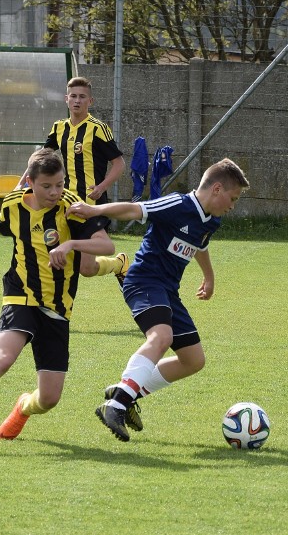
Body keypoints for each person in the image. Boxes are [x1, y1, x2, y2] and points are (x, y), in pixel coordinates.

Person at [0, 148, 114, 445]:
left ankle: (23, 407)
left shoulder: (72, 207)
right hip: (20, 294)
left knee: (49, 398)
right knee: (2, 357)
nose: (55, 191)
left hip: (57, 306)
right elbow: (1, 223)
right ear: (30, 181)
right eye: (47, 186)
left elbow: (105, 245)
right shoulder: (15, 203)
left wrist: (69, 247)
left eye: (59, 184)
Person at [67, 158, 250, 442]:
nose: (233, 205)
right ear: (216, 189)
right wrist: (93, 210)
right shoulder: (177, 205)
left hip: (168, 291)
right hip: (144, 281)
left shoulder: (212, 219)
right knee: (161, 337)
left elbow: (200, 244)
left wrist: (209, 277)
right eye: (233, 197)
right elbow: (133, 209)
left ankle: (124, 392)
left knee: (193, 360)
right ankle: (115, 406)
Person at [21, 76, 129, 284]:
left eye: (82, 97)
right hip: (64, 202)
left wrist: (101, 187)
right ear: (66, 99)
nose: (77, 101)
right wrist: (23, 179)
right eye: (73, 96)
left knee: (87, 269)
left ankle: (118, 264)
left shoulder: (98, 128)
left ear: (90, 101)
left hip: (90, 203)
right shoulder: (59, 127)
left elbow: (119, 164)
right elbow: (41, 157)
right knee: (52, 251)